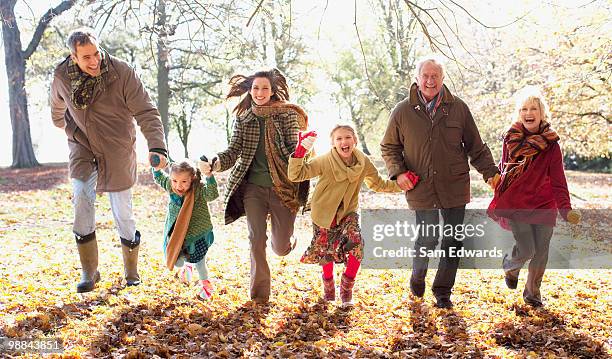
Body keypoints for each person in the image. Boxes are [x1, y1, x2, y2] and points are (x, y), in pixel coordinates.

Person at [50, 28, 168, 293]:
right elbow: (57, 111)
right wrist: (68, 128)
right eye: (86, 57)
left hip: (117, 148)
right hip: (82, 147)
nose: (94, 62)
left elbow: (147, 112)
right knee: (81, 198)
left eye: (96, 54)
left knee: (122, 211)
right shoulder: (61, 76)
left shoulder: (121, 73)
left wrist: (157, 147)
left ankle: (131, 271)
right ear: (73, 56)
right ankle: (89, 272)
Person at [380, 55, 499, 308]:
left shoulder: (458, 108)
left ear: (443, 79)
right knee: (428, 238)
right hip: (420, 185)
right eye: (426, 76)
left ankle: (443, 291)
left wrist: (490, 173)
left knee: (453, 239)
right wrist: (399, 173)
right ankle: (417, 275)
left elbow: (476, 147)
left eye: (435, 76)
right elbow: (389, 146)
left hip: (454, 184)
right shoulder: (402, 111)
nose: (430, 81)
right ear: (417, 78)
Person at [201, 68, 308, 304]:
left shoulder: (287, 115)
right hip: (253, 190)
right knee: (255, 238)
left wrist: (302, 151)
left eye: (265, 88)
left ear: (272, 91)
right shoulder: (243, 118)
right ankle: (260, 296)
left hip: (283, 187)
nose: (260, 92)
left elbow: (293, 149)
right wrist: (215, 163)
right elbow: (234, 150)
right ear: (250, 90)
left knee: (279, 247)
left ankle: (287, 241)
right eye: (256, 88)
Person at [288, 125, 401, 307]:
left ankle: (346, 288)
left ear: (354, 140)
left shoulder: (363, 162)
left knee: (357, 244)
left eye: (347, 137)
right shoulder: (325, 161)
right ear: (333, 144)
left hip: (348, 214)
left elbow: (378, 184)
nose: (343, 142)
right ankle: (329, 287)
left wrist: (403, 185)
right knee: (326, 252)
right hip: (323, 213)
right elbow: (296, 174)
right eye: (338, 139)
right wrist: (300, 152)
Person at [487, 88, 581, 307]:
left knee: (541, 251)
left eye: (533, 108)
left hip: (544, 204)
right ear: (519, 114)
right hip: (517, 203)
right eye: (524, 109)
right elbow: (505, 170)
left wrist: (565, 209)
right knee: (527, 248)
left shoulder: (552, 145)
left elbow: (558, 180)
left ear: (542, 113)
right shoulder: (510, 139)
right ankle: (511, 264)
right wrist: (496, 184)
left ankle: (532, 294)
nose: (529, 112)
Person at [152, 159, 219, 300]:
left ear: (192, 179)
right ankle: (187, 266)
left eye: (184, 182)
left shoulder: (199, 189)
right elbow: (159, 177)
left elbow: (212, 195)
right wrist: (157, 166)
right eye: (175, 180)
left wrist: (209, 176)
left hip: (198, 233)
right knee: (177, 261)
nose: (179, 186)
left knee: (200, 262)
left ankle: (207, 287)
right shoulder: (171, 187)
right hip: (178, 234)